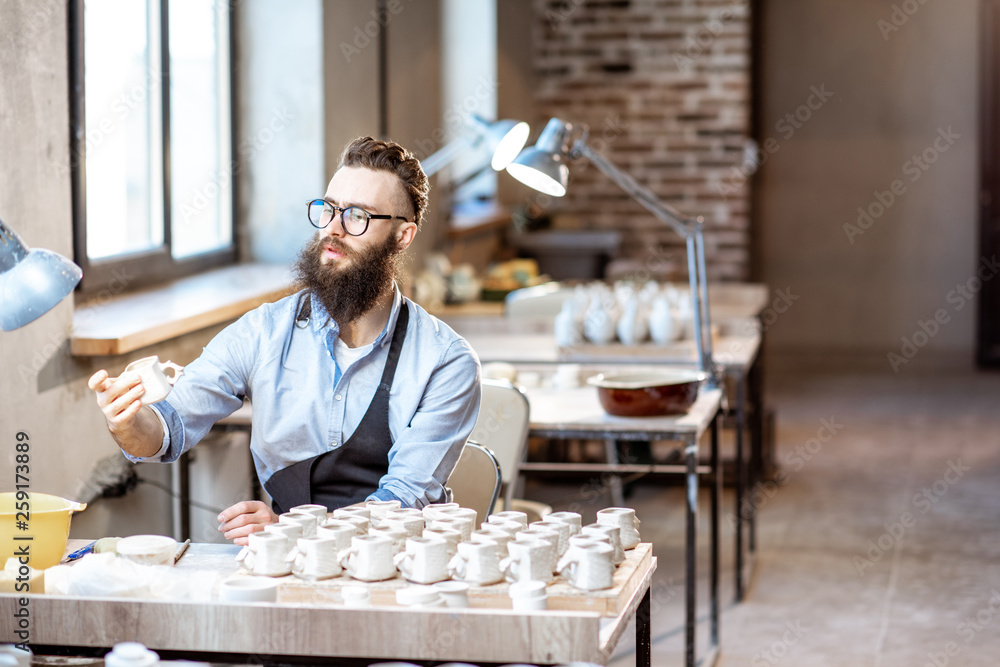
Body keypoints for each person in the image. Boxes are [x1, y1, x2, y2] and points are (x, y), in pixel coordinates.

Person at [88, 136, 482, 545]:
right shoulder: (264, 331)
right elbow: (169, 426)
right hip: (289, 562)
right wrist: (129, 421)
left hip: (406, 567)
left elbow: (405, 501)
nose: (333, 229)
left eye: (358, 216)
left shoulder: (445, 361)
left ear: (403, 236)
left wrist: (294, 529)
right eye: (328, 209)